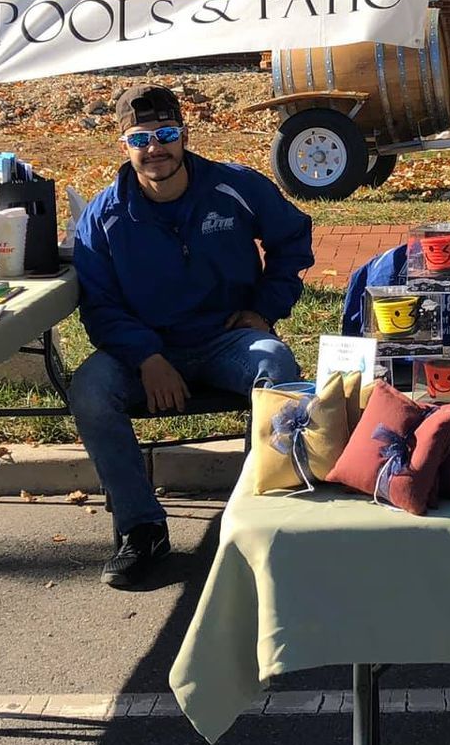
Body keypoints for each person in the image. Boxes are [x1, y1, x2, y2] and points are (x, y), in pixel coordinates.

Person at [71, 83, 313, 588]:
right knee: (90, 391)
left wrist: (264, 309)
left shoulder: (235, 185)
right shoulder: (103, 215)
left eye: (166, 134)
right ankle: (141, 529)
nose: (155, 148)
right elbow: (99, 304)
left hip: (227, 341)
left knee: (278, 368)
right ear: (124, 144)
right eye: (141, 138)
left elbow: (292, 237)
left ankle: (255, 520)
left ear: (184, 135)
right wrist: (147, 356)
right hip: (146, 351)